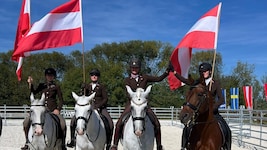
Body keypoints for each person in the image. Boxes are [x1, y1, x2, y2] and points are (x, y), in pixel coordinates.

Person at [110, 58, 172, 150]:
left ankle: (159, 145)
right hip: (132, 104)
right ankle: (115, 145)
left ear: (139, 68)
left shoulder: (145, 77)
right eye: (133, 68)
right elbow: (128, 94)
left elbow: (158, 79)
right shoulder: (127, 80)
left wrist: (167, 72)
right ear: (130, 68)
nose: (134, 70)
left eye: (136, 68)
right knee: (119, 123)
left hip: (143, 105)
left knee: (156, 122)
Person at [171, 62, 231, 150]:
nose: (203, 73)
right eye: (201, 71)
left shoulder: (215, 83)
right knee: (187, 128)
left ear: (210, 71)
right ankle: (183, 147)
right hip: (199, 113)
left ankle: (226, 147)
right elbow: (186, 81)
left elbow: (221, 99)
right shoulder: (197, 83)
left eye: (205, 71)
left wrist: (213, 108)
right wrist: (175, 73)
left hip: (213, 113)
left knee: (226, 129)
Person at [67, 68, 114, 150]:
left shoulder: (102, 87)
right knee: (73, 121)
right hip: (87, 108)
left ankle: (108, 143)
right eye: (92, 75)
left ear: (98, 77)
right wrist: (82, 89)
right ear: (90, 77)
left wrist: (98, 106)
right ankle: (72, 140)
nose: (94, 76)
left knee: (110, 123)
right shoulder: (87, 86)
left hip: (99, 108)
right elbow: (82, 98)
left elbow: (105, 98)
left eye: (96, 75)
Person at [21, 68, 67, 150]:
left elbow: (61, 100)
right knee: (26, 122)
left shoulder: (56, 86)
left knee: (62, 124)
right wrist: (30, 84)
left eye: (51, 75)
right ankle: (27, 142)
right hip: (41, 110)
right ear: (46, 76)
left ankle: (62, 144)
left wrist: (58, 109)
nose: (49, 77)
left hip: (52, 110)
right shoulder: (42, 85)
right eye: (48, 75)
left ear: (54, 77)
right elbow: (33, 92)